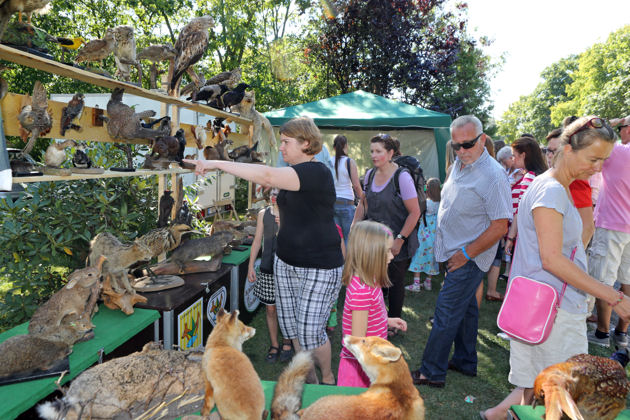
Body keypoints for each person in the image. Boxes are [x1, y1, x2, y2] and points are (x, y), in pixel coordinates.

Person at [481, 116, 630, 420]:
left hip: (547, 307)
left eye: (603, 160)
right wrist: (612, 296)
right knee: (560, 399)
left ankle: (496, 416)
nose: (598, 167)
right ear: (568, 149)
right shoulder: (551, 191)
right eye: (593, 158)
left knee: (539, 390)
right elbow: (552, 259)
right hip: (554, 312)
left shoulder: (552, 186)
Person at [184, 116, 343, 386]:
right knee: (292, 329)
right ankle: (311, 381)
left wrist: (213, 163)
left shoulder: (316, 172)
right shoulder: (294, 171)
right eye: (281, 142)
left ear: (306, 143)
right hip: (286, 262)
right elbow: (288, 201)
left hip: (319, 266)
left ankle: (327, 379)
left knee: (309, 333)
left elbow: (267, 173)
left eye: (286, 142)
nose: (281, 147)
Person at [410, 115, 511, 388]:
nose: (461, 151)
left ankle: (431, 372)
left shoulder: (494, 175)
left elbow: (500, 225)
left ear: (483, 140)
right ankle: (466, 361)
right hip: (453, 252)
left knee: (446, 312)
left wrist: (465, 254)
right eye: (456, 146)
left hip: (469, 256)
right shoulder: (459, 163)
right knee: (466, 311)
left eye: (467, 145)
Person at [352, 133, 420, 332]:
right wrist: (354, 225)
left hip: (397, 243)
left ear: (390, 153)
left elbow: (414, 212)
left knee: (395, 284)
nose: (374, 155)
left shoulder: (402, 177)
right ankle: (375, 321)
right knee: (374, 283)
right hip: (373, 244)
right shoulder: (370, 175)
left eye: (379, 151)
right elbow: (364, 204)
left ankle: (394, 323)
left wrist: (400, 239)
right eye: (372, 151)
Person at [338, 220, 407, 387]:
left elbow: (370, 316)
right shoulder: (361, 291)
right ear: (371, 254)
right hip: (361, 370)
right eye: (387, 251)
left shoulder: (371, 281)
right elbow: (358, 343)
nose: (392, 256)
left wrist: (387, 321)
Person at [587, 115, 630, 349]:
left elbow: (592, 127)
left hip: (612, 224)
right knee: (628, 280)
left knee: (603, 280)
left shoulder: (619, 152)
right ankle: (622, 332)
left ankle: (603, 332)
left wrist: (616, 120)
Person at [247, 189, 293, 363]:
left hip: (287, 269)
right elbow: (257, 241)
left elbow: (294, 241)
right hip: (267, 268)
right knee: (270, 309)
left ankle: (287, 342)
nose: (274, 193)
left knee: (287, 308)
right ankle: (275, 344)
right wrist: (251, 265)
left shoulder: (292, 213)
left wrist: (284, 225)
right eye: (272, 190)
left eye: (278, 190)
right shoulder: (262, 214)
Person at [546, 125, 595, 247]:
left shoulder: (575, 179)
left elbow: (588, 227)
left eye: (555, 151)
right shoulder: (549, 176)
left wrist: (572, 257)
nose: (550, 155)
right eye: (548, 150)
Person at [503, 136, 548, 257]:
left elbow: (520, 211)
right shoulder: (538, 175)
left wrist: (510, 238)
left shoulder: (528, 178)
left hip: (523, 236)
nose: (512, 159)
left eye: (514, 155)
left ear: (523, 155)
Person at [406, 178, 441, 292]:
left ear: (428, 190)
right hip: (435, 235)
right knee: (431, 257)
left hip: (424, 235)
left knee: (419, 255)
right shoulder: (441, 203)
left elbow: (417, 214)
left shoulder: (425, 203)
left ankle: (416, 283)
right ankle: (428, 282)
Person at [330, 135, 363, 245]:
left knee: (337, 239)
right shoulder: (349, 162)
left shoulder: (329, 162)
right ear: (346, 146)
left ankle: (339, 262)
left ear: (334, 147)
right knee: (349, 239)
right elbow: (356, 185)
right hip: (346, 203)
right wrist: (363, 199)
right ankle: (348, 262)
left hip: (332, 203)